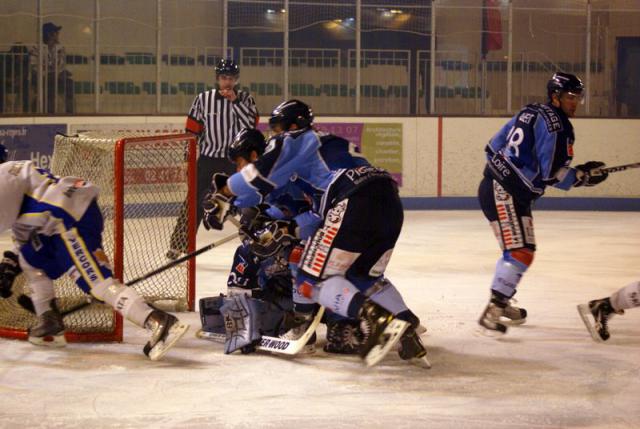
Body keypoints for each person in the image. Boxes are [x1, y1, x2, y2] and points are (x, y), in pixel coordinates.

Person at [207, 99, 428, 365]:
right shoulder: (324, 153)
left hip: (352, 198)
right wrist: (288, 225)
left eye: (276, 129)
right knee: (365, 275)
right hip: (388, 200)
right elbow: (316, 213)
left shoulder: (299, 139)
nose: (274, 137)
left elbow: (262, 173)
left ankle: (375, 318)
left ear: (291, 126)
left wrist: (224, 194)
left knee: (308, 280)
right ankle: (407, 327)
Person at [0, 158, 189, 360]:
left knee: (97, 283)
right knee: (30, 258)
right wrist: (11, 260)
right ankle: (49, 319)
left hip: (67, 219)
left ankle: (157, 320)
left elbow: (10, 216)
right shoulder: (12, 170)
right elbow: (23, 232)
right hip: (60, 217)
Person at [477, 72, 609, 334]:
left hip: (500, 188)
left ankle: (501, 302)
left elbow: (492, 147)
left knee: (520, 250)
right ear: (555, 96)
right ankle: (494, 310)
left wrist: (510, 171)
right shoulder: (560, 127)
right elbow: (552, 174)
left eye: (577, 98)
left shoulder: (530, 111)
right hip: (506, 192)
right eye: (570, 97)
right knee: (520, 252)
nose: (575, 103)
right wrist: (580, 177)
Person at [167, 58, 259, 260]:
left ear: (236, 80)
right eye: (224, 78)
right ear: (218, 79)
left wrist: (234, 102)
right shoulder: (203, 99)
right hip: (208, 161)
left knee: (245, 203)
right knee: (193, 202)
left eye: (231, 78)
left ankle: (253, 244)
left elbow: (250, 126)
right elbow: (192, 132)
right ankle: (179, 245)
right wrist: (187, 159)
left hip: (234, 163)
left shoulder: (246, 99)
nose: (227, 82)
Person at [30, 22, 74, 114]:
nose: (58, 35)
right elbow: (35, 67)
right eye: (56, 33)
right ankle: (49, 113)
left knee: (69, 83)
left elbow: (61, 65)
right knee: (50, 87)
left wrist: (59, 72)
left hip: (56, 76)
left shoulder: (60, 48)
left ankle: (69, 113)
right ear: (50, 34)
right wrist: (50, 72)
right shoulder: (36, 48)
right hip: (41, 77)